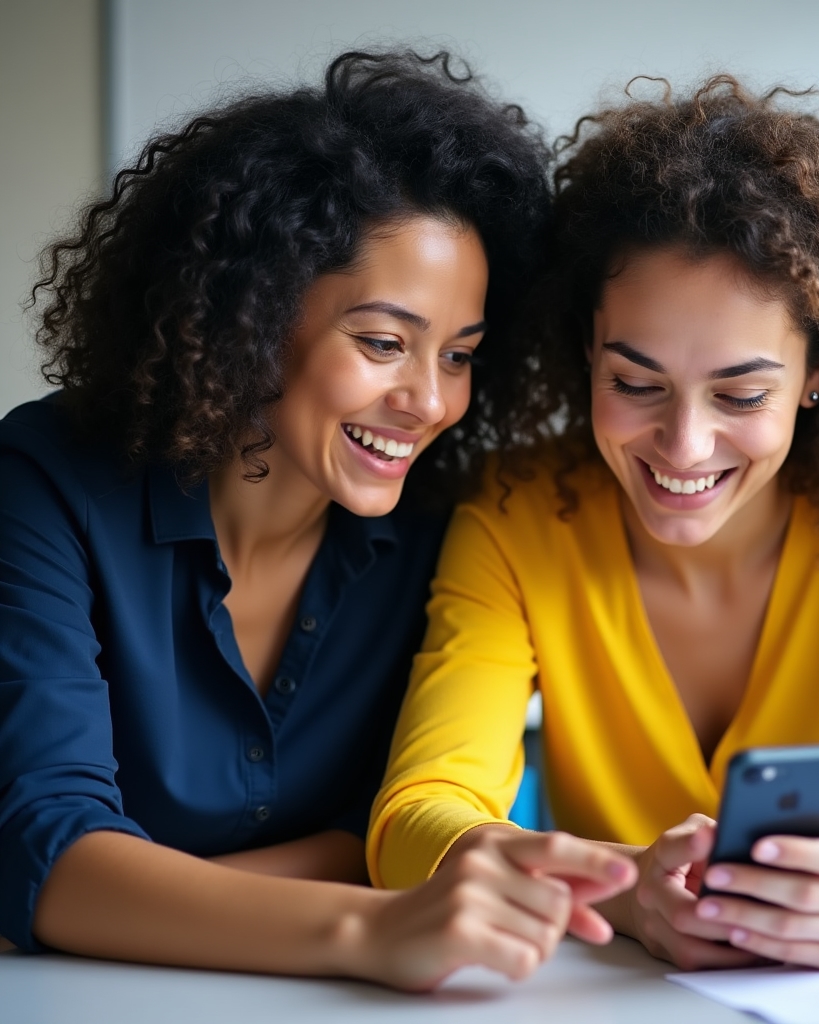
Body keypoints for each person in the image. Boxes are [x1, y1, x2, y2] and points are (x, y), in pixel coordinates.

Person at [0, 50, 634, 990]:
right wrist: (364, 932)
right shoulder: (47, 481)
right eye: (383, 343)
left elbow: (384, 831)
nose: (427, 400)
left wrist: (109, 903)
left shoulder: (443, 528)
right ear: (248, 315)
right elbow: (44, 849)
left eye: (459, 355)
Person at [368, 75, 819, 972]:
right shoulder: (519, 515)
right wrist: (627, 889)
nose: (683, 444)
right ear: (584, 349)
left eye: (742, 393)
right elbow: (417, 818)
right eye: (634, 384)